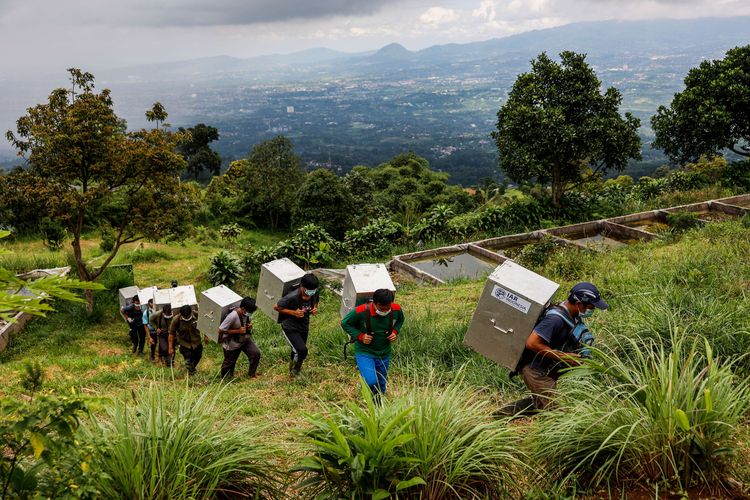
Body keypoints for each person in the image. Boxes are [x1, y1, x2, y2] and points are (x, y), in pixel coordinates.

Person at [500, 282, 608, 415]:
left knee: (542, 402)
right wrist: (564, 357)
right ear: (580, 303)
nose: (592, 311)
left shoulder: (572, 314)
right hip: (535, 371)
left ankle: (501, 415)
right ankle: (500, 416)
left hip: (546, 369)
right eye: (591, 307)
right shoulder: (555, 319)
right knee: (556, 414)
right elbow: (532, 343)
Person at [341, 288, 404, 402]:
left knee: (381, 380)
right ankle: (368, 392)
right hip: (365, 352)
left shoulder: (396, 309)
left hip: (384, 352)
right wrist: (360, 336)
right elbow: (345, 323)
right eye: (382, 308)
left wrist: (395, 332)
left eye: (387, 308)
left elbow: (400, 320)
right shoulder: (361, 311)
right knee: (371, 380)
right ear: (374, 303)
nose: (385, 311)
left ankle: (378, 403)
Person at [274, 273, 319, 377]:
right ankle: (295, 372)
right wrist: (293, 312)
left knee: (297, 351)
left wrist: (314, 308)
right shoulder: (292, 297)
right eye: (309, 290)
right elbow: (276, 307)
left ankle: (293, 370)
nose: (311, 292)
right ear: (302, 286)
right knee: (302, 350)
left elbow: (316, 301)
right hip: (290, 327)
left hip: (304, 326)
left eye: (313, 290)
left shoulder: (314, 292)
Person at [218, 297, 261, 378]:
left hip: (244, 339)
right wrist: (237, 331)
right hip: (232, 343)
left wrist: (249, 326)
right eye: (250, 312)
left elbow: (247, 321)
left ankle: (251, 374)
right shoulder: (232, 316)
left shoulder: (246, 313)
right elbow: (220, 330)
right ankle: (225, 379)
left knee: (255, 353)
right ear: (244, 309)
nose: (251, 313)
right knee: (229, 363)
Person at [169, 304, 207, 376]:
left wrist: (206, 336)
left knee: (198, 356)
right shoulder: (176, 319)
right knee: (188, 358)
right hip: (184, 343)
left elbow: (204, 324)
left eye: (188, 316)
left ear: (191, 312)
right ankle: (191, 373)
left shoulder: (197, 315)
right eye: (184, 316)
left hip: (196, 342)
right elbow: (171, 334)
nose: (186, 318)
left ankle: (192, 368)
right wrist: (170, 347)